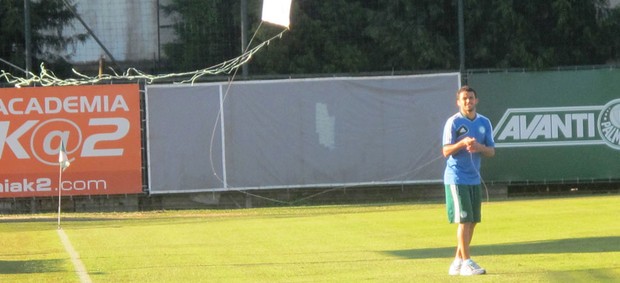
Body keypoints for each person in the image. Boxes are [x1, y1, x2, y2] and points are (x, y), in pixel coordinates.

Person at [442, 85, 495, 276]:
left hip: (474, 179)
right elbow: (446, 151)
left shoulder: (484, 122)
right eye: (464, 98)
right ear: (458, 102)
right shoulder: (453, 123)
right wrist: (462, 143)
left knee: (472, 221)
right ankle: (466, 262)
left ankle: (457, 261)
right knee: (464, 221)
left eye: (471, 98)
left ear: (476, 100)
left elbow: (491, 151)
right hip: (457, 178)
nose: (468, 101)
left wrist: (478, 146)